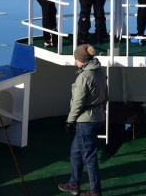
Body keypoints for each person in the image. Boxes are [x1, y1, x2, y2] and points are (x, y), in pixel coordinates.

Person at [58, 44, 108, 196]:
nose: (75, 62)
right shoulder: (99, 72)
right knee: (75, 151)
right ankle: (74, 183)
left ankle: (95, 191)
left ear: (83, 60)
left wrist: (70, 121)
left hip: (86, 121)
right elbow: (104, 94)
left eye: (76, 59)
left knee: (89, 157)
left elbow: (78, 102)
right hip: (97, 116)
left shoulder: (84, 77)